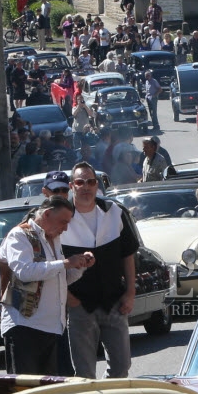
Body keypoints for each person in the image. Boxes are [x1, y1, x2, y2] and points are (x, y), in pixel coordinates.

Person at [63, 162, 140, 379]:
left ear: (97, 185)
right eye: (80, 182)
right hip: (80, 304)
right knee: (84, 373)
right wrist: (69, 299)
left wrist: (130, 292)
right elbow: (53, 263)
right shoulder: (62, 218)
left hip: (114, 301)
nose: (86, 187)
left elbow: (128, 254)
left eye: (91, 182)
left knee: (121, 367)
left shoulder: (114, 212)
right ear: (72, 186)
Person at [0, 200, 94, 375]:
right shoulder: (19, 235)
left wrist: (80, 265)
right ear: (48, 214)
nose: (65, 228)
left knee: (59, 391)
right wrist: (65, 263)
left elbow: (58, 280)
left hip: (54, 328)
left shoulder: (54, 238)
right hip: (25, 328)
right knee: (28, 391)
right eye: (63, 222)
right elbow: (25, 272)